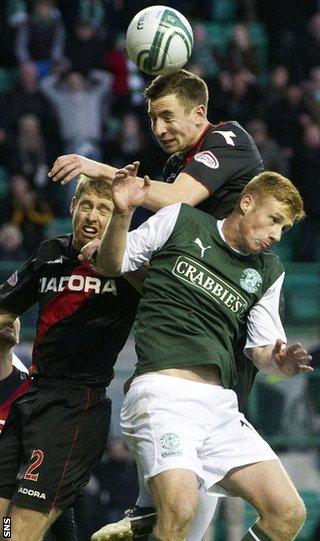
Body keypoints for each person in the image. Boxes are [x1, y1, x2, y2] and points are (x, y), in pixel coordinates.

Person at [48, 68, 265, 540]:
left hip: (234, 307)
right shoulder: (171, 171)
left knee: (209, 453)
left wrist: (99, 168)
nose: (159, 129)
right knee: (186, 453)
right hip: (192, 313)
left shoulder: (227, 138)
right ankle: (151, 509)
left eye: (167, 117)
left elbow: (179, 200)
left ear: (199, 114)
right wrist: (113, 255)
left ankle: (152, 514)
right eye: (152, 120)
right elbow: (157, 274)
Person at [93, 168, 312, 541]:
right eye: (273, 220)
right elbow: (112, 264)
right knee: (179, 510)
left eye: (284, 229)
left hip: (220, 408)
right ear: (246, 203)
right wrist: (122, 213)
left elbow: (261, 348)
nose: (276, 235)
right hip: (162, 395)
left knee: (287, 513)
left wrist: (279, 362)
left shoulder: (268, 271)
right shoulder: (181, 220)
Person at [0, 174, 141, 541]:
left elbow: (166, 313)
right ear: (72, 208)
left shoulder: (130, 269)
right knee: (5, 525)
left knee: (17, 533)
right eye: (87, 205)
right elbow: (5, 308)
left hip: (75, 407)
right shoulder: (50, 253)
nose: (93, 216)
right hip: (30, 399)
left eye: (104, 209)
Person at [0, 317, 78, 540]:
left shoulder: (35, 394)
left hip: (11, 519)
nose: (11, 318)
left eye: (16, 313)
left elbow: (51, 475)